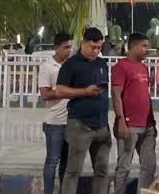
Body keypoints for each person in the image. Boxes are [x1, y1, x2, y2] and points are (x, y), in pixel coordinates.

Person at [54, 27, 111, 194]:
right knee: (73, 171)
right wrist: (84, 92)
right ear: (83, 43)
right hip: (79, 125)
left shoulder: (102, 63)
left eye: (99, 47)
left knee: (102, 171)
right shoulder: (71, 64)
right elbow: (60, 90)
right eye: (92, 47)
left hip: (101, 126)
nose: (95, 51)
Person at [111, 32, 156, 193]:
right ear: (132, 47)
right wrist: (121, 120)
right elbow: (116, 95)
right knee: (124, 166)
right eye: (143, 46)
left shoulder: (144, 67)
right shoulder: (121, 67)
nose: (147, 49)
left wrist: (152, 122)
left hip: (148, 125)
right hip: (129, 125)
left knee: (149, 166)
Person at [38, 33, 74, 194]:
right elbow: (45, 94)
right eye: (66, 47)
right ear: (56, 48)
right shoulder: (47, 67)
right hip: (54, 123)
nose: (69, 51)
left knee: (67, 162)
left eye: (70, 47)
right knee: (52, 160)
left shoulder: (71, 65)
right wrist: (64, 92)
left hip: (71, 121)